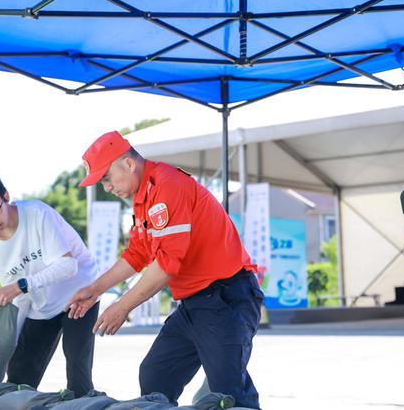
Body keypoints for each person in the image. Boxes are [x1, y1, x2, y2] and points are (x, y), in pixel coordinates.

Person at [67, 131, 264, 408]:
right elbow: (137, 254)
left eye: (106, 178)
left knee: (229, 393)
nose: (107, 188)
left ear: (127, 163)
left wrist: (123, 306)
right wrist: (94, 289)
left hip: (226, 296)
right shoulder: (142, 198)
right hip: (194, 303)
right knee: (156, 375)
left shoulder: (167, 184)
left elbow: (167, 264)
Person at [0, 170, 101, 397]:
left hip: (79, 294)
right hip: (41, 306)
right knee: (18, 376)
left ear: (6, 196)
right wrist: (9, 347)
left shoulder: (36, 214)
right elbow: (19, 300)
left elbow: (68, 266)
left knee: (77, 371)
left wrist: (20, 285)